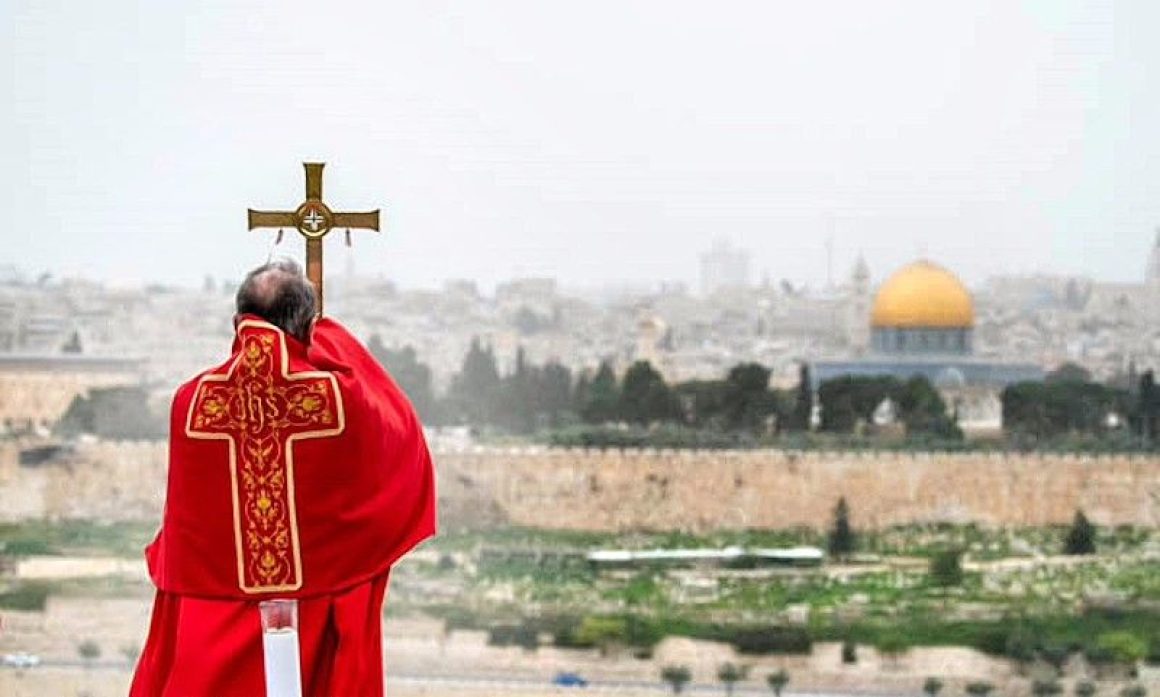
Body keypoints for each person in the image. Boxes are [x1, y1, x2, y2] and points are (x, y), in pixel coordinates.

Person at [130, 259, 436, 696]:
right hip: (313, 611)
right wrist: (332, 336)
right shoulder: (339, 400)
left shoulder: (191, 402)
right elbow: (400, 429)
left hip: (209, 619)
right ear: (306, 325)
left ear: (238, 321)